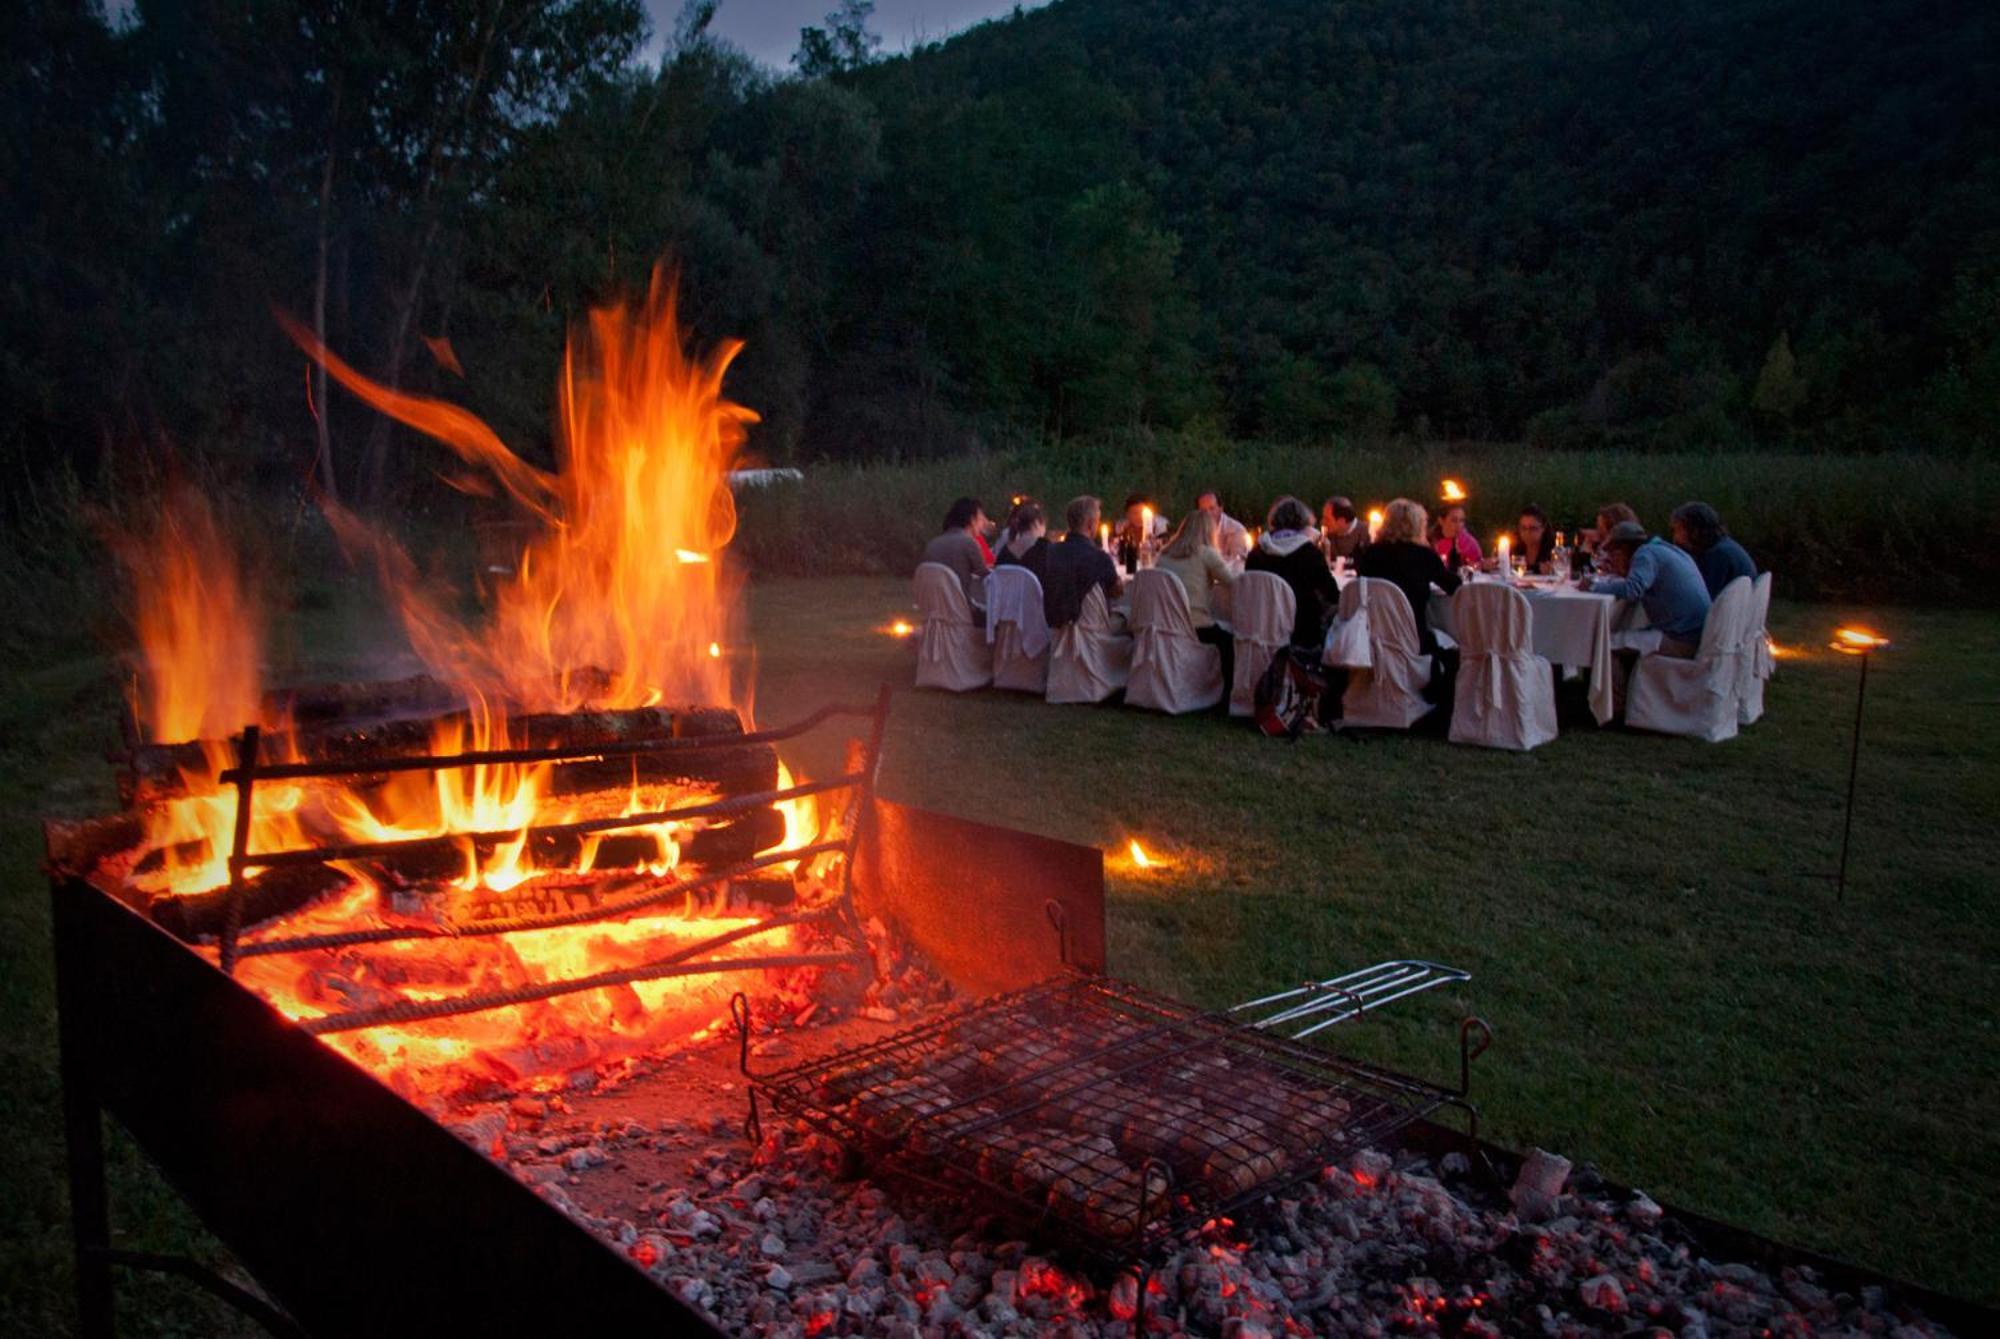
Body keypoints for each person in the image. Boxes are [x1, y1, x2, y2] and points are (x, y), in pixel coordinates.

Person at [1584, 519, 1711, 656]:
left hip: (1681, 639)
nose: (1612, 557)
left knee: (1605, 644)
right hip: (1697, 635)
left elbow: (1632, 589)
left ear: (1625, 547)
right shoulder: (1665, 549)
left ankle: (1609, 677)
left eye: (1614, 552)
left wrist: (1592, 587)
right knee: (1625, 638)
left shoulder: (1645, 554)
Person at [1356, 497, 1461, 658]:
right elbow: (1454, 586)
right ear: (1418, 525)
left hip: (1373, 640)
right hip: (1414, 639)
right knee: (1453, 650)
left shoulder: (1370, 553)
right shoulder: (1424, 555)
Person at [1155, 509, 1238, 692]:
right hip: (1196, 625)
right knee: (1231, 641)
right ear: (1209, 531)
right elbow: (1233, 582)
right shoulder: (1206, 553)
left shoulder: (1164, 554)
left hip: (1166, 625)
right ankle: (1228, 693)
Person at [1246, 496, 1338, 649]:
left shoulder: (1257, 553)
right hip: (1302, 626)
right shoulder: (1308, 553)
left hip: (1262, 624)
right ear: (1303, 523)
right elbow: (1331, 593)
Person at [1043, 495, 1124, 627]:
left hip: (1057, 631)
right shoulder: (1099, 558)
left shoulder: (1051, 552)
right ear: (1090, 524)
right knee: (1130, 620)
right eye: (1097, 521)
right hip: (1094, 634)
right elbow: (1116, 592)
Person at [1669, 502, 1756, 597]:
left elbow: (1703, 597)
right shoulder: (1725, 547)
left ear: (1695, 530)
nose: (1675, 538)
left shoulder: (1718, 555)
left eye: (1678, 530)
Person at [920, 497, 991, 604]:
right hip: (961, 608)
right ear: (972, 520)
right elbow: (985, 574)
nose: (983, 524)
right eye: (981, 519)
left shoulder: (933, 544)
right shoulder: (968, 543)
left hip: (934, 608)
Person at [993, 499, 1050, 586]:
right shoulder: (1044, 549)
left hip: (1008, 599)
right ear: (1036, 524)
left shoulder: (1004, 552)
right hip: (1034, 598)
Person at [1195, 489, 1252, 562]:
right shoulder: (1194, 529)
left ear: (1220, 509)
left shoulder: (1236, 530)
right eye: (1203, 510)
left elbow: (1237, 563)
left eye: (1212, 508)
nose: (1207, 514)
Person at [1432, 501, 1482, 570]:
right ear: (1441, 521)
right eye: (1454, 520)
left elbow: (1477, 564)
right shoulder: (1429, 541)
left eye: (1462, 520)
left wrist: (1481, 565)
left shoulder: (1469, 543)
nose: (1459, 525)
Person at [1320, 496, 1369, 561]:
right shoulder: (1325, 537)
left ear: (1341, 521)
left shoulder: (1369, 533)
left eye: (1327, 519)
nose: (1322, 522)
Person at [1517, 504, 1554, 575]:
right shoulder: (1514, 548)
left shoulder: (1553, 551)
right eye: (1524, 528)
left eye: (1533, 528)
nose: (1527, 532)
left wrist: (1552, 572)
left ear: (1543, 528)